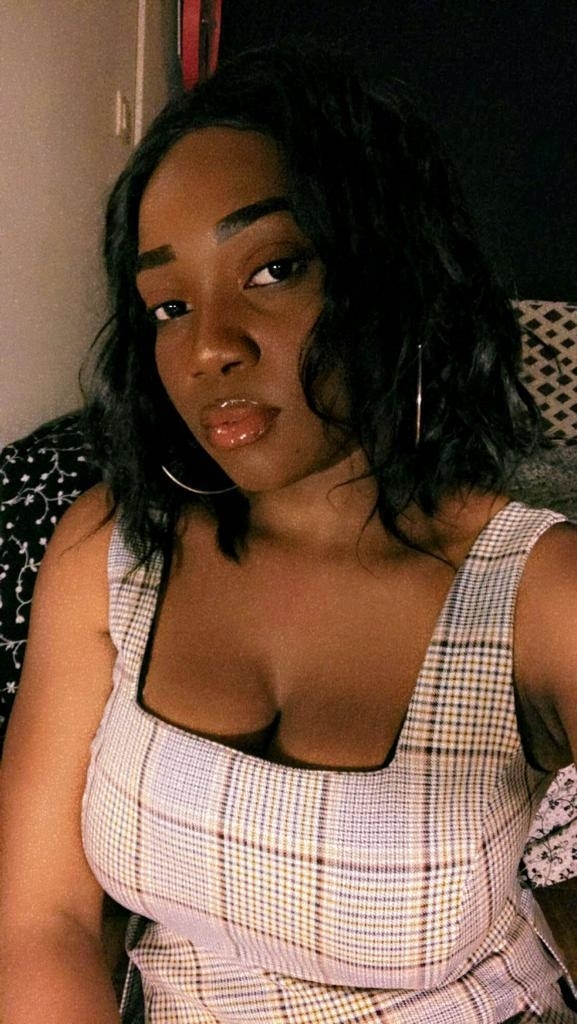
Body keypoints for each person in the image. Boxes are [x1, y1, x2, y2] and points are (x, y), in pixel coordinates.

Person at [0, 43, 576, 1024]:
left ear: (391, 272)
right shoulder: (110, 547)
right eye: (168, 305)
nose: (207, 346)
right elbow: (40, 921)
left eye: (272, 269)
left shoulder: (535, 588)